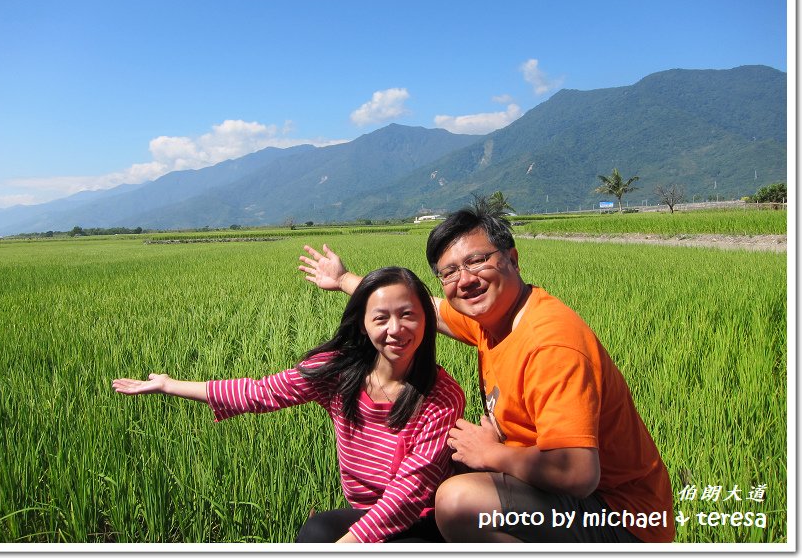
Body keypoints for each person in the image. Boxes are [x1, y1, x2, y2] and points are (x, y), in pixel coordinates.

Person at [298, 203, 675, 543]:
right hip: (561, 499)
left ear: (512, 258)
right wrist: (346, 280)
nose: (465, 279)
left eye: (477, 260)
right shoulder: (490, 319)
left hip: (621, 520)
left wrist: (492, 453)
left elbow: (577, 473)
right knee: (444, 472)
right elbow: (417, 309)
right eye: (449, 272)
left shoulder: (550, 345)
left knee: (458, 500)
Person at [113, 266, 466, 543]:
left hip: (419, 520)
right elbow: (260, 392)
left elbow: (409, 493)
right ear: (362, 324)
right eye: (381, 317)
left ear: (426, 321)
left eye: (408, 315)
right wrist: (170, 385)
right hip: (362, 512)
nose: (395, 329)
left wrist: (348, 545)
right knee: (316, 532)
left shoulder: (441, 396)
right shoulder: (338, 371)